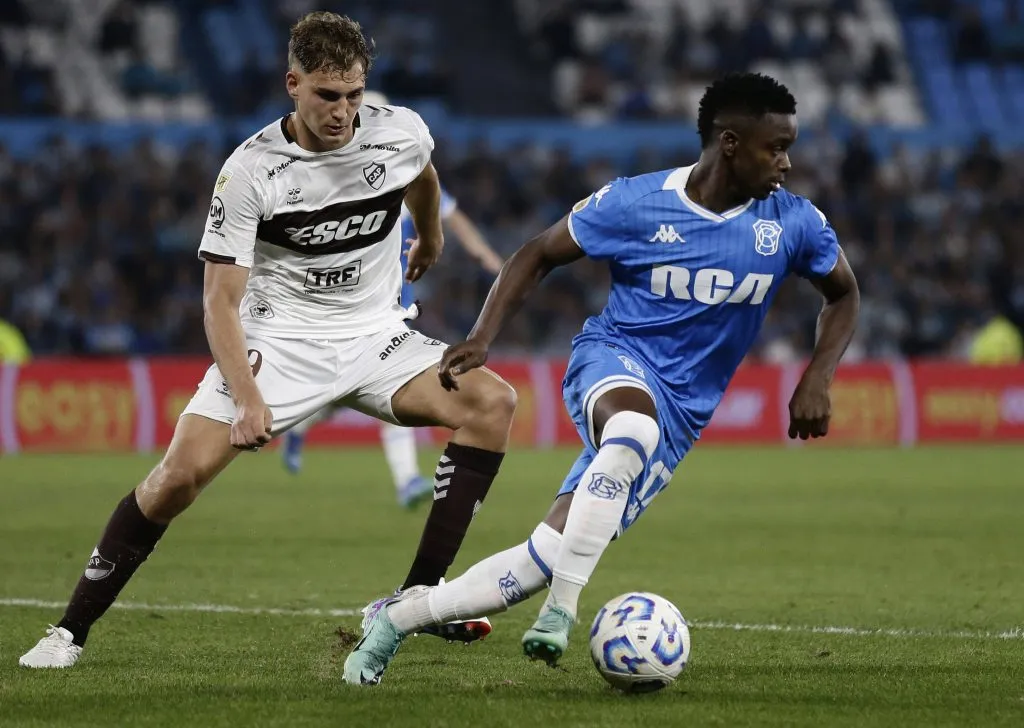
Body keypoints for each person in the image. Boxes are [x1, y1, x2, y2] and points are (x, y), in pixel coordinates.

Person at [19, 12, 516, 669]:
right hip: (279, 341)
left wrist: (433, 235)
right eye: (326, 96)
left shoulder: (399, 131)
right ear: (293, 83)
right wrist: (249, 399)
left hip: (376, 337)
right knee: (176, 480)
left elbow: (421, 175)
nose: (342, 112)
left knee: (492, 403)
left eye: (353, 94)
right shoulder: (251, 171)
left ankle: (415, 598)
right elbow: (219, 304)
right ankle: (68, 631)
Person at [342, 72, 860, 685]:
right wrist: (483, 337)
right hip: (612, 360)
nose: (787, 162)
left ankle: (395, 621)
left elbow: (844, 294)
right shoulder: (635, 203)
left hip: (683, 415)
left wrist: (817, 376)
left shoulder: (794, 224)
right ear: (728, 144)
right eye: (774, 147)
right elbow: (536, 253)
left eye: (788, 146)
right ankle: (562, 610)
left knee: (541, 560)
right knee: (632, 426)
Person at [282, 93, 505, 510]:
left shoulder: (407, 171)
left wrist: (494, 263)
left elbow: (452, 219)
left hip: (391, 306)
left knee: (375, 384)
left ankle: (403, 479)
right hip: (346, 310)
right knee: (347, 389)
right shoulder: (333, 177)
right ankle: (306, 430)